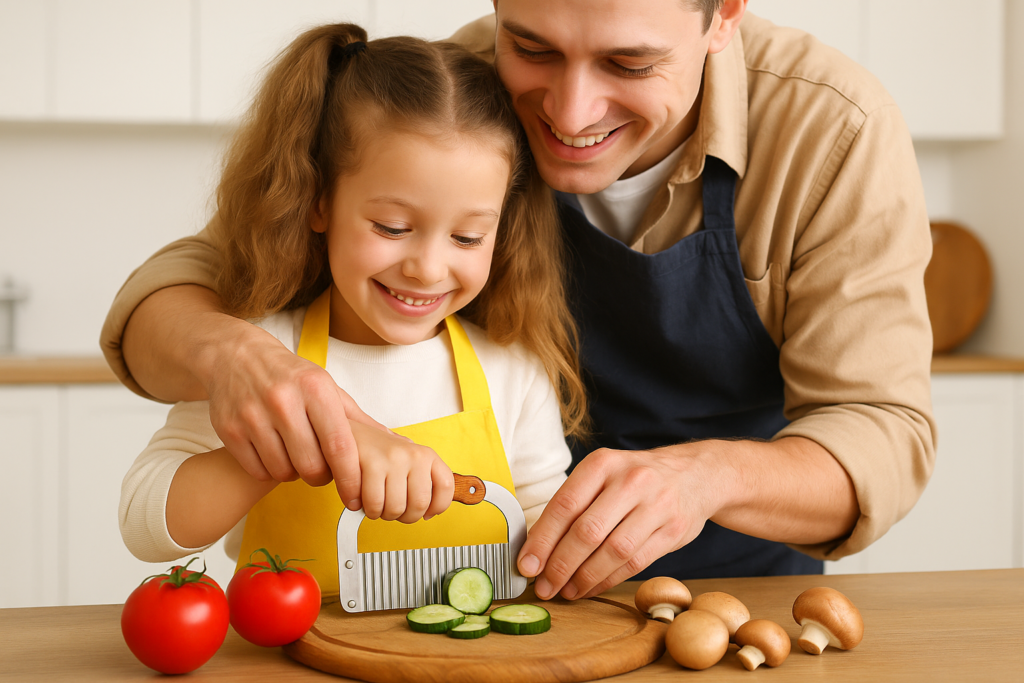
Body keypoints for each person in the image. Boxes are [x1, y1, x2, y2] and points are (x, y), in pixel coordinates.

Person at [104, 0, 936, 602]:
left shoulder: (834, 132)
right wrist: (241, 361)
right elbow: (213, 268)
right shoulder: (462, 88)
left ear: (723, 15)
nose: (570, 114)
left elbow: (882, 432)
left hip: (731, 591)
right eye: (531, 45)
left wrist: (707, 475)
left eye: (628, 64)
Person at [117, 24, 588, 600]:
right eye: (392, 228)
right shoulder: (263, 353)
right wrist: (287, 440)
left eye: (468, 237)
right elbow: (145, 525)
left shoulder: (511, 368)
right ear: (318, 201)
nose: (427, 268)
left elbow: (542, 515)